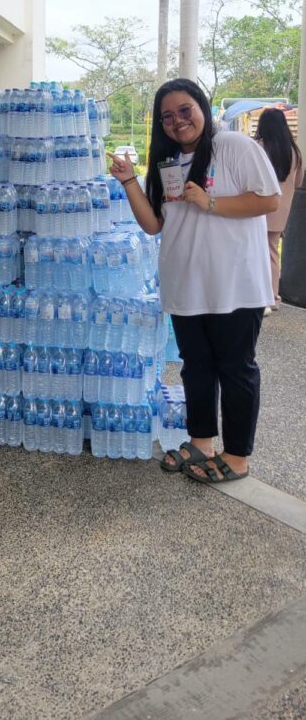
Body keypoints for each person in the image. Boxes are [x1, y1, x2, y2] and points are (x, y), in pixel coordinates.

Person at [110, 79, 280, 485]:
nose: (177, 121)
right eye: (167, 116)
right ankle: (201, 441)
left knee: (235, 369)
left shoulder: (233, 147)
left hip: (233, 284)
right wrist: (129, 181)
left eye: (184, 110)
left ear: (201, 106)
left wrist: (211, 202)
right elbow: (153, 224)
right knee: (196, 368)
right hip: (186, 283)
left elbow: (268, 199)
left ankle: (237, 456)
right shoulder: (166, 160)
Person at [254, 108, 303, 315]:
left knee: (256, 252)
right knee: (272, 253)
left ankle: (259, 297)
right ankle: (273, 297)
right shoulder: (294, 151)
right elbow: (299, 182)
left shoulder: (258, 147)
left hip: (258, 208)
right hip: (281, 211)